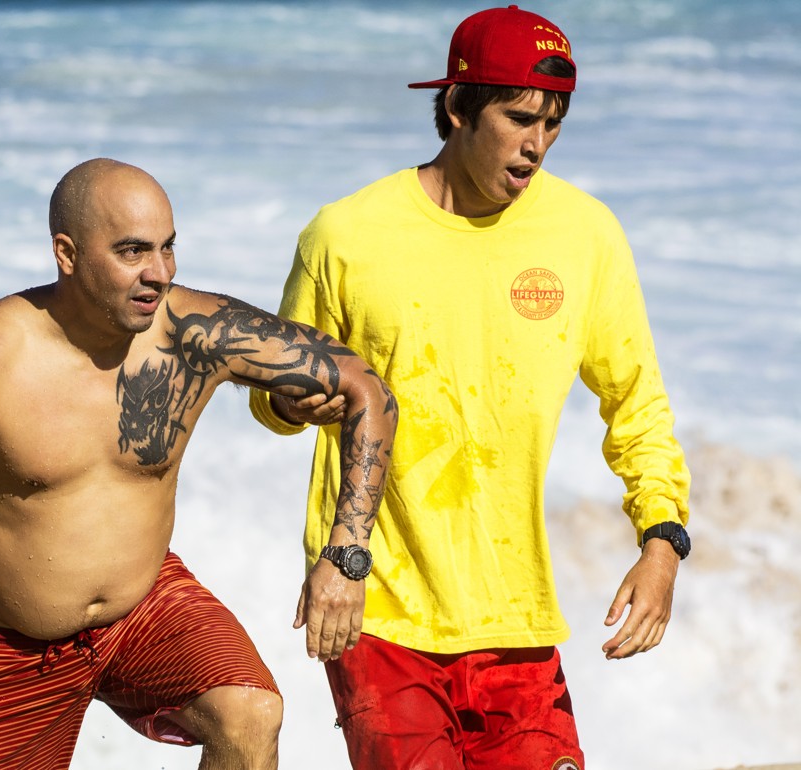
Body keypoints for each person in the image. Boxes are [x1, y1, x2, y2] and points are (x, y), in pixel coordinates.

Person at [0, 157, 398, 770]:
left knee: (251, 713)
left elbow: (367, 390)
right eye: (132, 252)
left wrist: (346, 557)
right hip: (6, 640)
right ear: (67, 253)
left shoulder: (198, 333)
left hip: (145, 606)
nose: (158, 274)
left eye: (167, 248)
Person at [249, 6, 692, 769]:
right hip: (377, 607)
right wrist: (292, 401)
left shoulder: (586, 236)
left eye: (554, 122)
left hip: (516, 611)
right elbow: (273, 400)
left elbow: (636, 402)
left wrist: (663, 541)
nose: (538, 144)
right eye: (520, 118)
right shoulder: (347, 237)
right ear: (457, 108)